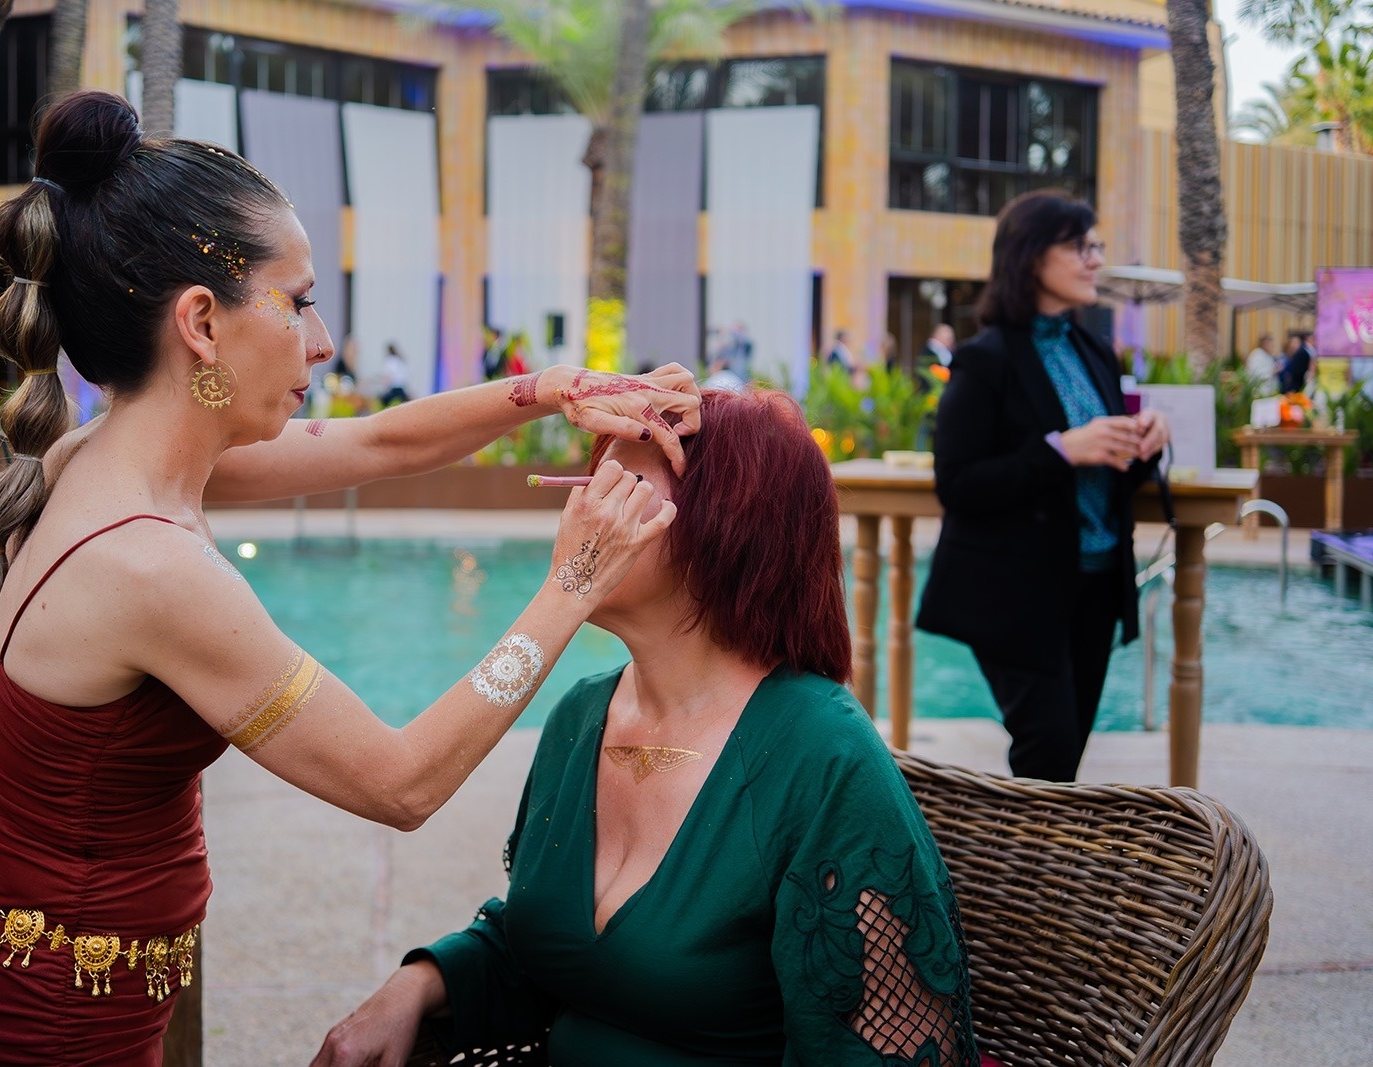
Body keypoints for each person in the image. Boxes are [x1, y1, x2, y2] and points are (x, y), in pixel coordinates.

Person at [0, 90, 704, 1065]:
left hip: (30, 984)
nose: (323, 341)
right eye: (296, 302)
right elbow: (401, 781)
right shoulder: (150, 565)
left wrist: (554, 389)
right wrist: (572, 584)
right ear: (201, 322)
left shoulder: (109, 459)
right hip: (50, 1029)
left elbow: (376, 441)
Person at [313, 389, 980, 1067]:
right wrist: (417, 984)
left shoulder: (822, 754)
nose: (583, 507)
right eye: (591, 477)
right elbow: (545, 953)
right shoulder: (581, 715)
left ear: (730, 522)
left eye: (622, 484)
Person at [917, 191, 1170, 783]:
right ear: (1031, 256)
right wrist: (1061, 450)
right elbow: (958, 483)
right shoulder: (984, 360)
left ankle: (1030, 848)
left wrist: (1145, 443)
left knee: (1064, 754)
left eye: (1096, 246)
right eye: (1080, 246)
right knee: (1048, 747)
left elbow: (1111, 468)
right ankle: (1016, 847)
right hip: (1019, 590)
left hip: (1097, 583)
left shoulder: (1094, 350)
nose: (1095, 259)